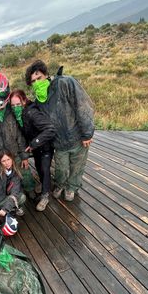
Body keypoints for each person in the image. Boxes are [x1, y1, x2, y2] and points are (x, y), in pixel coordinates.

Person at [25, 61, 94, 201]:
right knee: (61, 169)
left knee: (77, 167)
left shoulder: (65, 83)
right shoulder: (39, 101)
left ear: (46, 75)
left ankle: (72, 188)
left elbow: (83, 105)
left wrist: (87, 133)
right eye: (33, 81)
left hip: (78, 137)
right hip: (59, 143)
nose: (37, 82)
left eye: (39, 78)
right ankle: (60, 184)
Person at [10, 89, 55, 211]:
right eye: (13, 105)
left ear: (24, 101)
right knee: (40, 168)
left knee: (45, 170)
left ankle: (45, 196)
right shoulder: (19, 115)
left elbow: (50, 129)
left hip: (45, 146)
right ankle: (44, 185)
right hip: (35, 148)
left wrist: (35, 142)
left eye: (18, 104)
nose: (15, 108)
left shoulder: (31, 113)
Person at [0, 150, 26, 218]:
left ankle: (9, 209)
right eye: (3, 161)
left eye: (8, 159)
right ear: (0, 161)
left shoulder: (15, 174)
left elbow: (14, 193)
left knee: (22, 197)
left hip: (3, 200)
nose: (7, 163)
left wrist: (5, 209)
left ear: (12, 159)